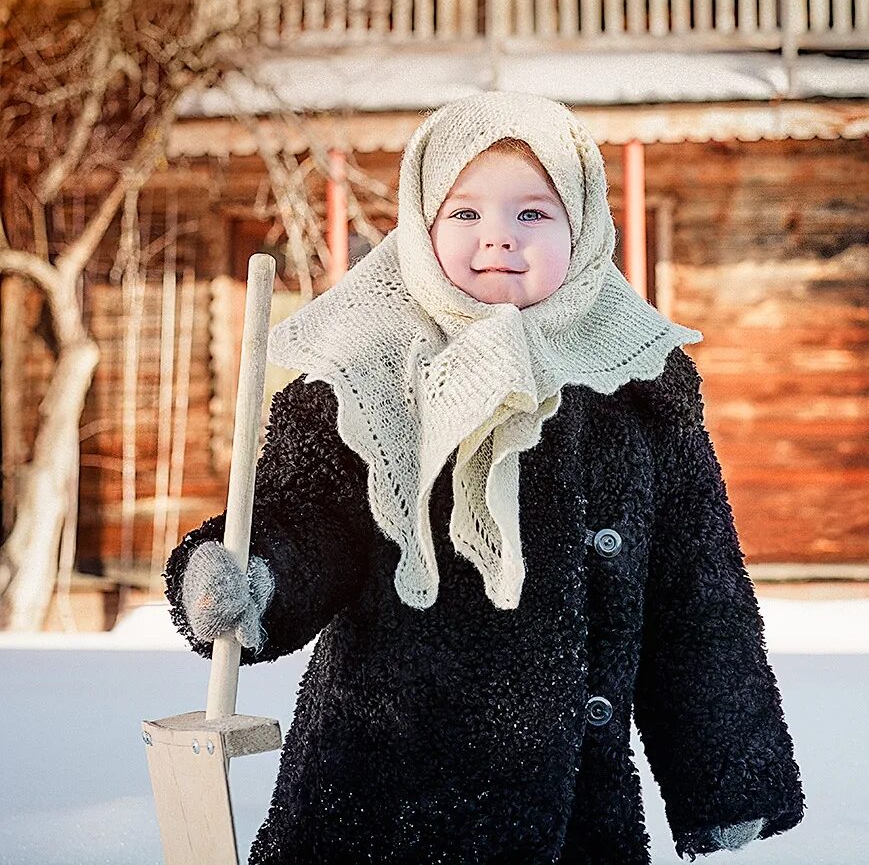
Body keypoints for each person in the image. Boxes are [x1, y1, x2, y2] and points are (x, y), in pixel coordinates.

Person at [164, 90, 805, 864]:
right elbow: (309, 520)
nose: (496, 238)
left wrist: (725, 771)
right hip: (379, 796)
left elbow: (696, 589)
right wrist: (252, 575)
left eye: (532, 214)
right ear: (421, 224)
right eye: (464, 214)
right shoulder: (363, 371)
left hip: (573, 813)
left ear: (585, 225)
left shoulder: (640, 381)